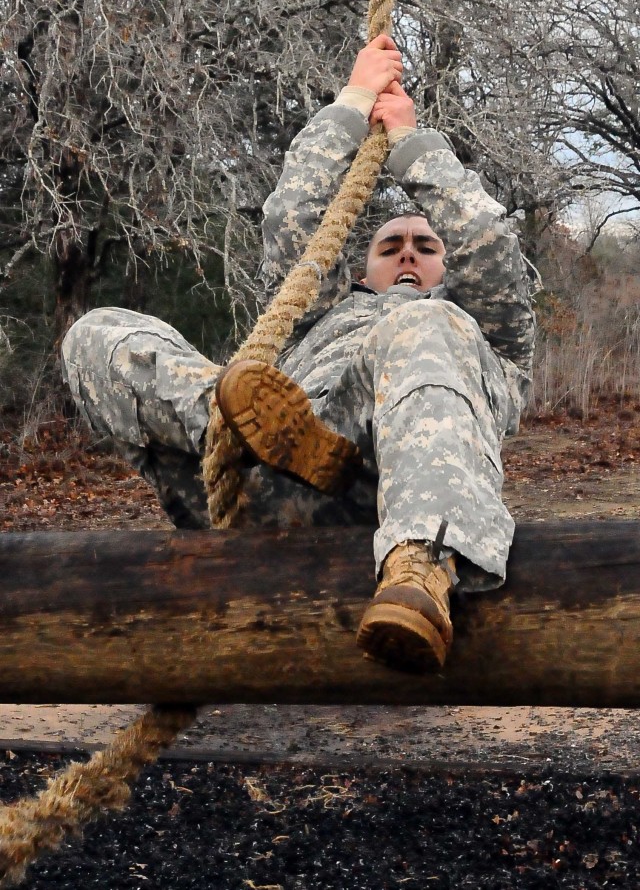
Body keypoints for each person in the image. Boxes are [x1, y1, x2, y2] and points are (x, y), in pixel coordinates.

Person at [61, 35, 535, 673]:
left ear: (448, 265)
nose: (406, 252)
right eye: (389, 244)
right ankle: (247, 424)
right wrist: (351, 102)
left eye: (425, 245)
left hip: (385, 497)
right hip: (254, 487)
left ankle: (421, 567)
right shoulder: (322, 314)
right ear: (361, 271)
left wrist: (413, 144)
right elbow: (293, 218)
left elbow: (487, 243)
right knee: (97, 335)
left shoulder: (487, 337)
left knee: (426, 327)